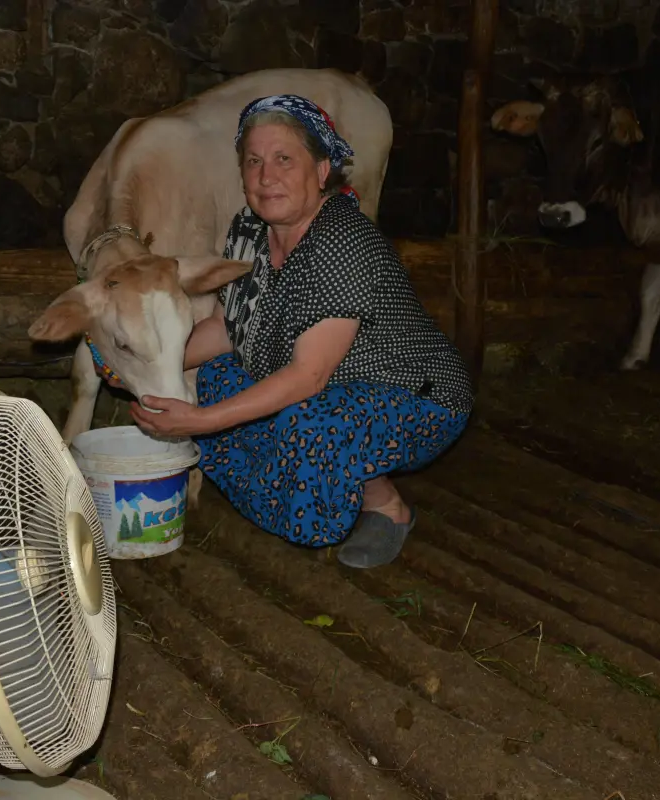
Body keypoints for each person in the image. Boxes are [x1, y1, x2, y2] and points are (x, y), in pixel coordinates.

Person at [130, 94, 474, 569]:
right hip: (328, 389)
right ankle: (334, 481)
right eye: (254, 161)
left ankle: (384, 508)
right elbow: (228, 328)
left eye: (284, 159)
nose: (266, 176)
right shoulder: (249, 229)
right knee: (213, 382)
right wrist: (145, 362)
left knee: (309, 422)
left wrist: (198, 423)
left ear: (320, 170)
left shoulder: (341, 240)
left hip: (417, 396)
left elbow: (309, 376)